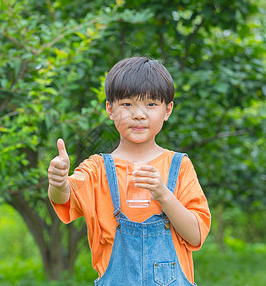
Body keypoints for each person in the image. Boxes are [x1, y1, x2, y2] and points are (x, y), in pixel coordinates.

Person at [48, 56, 211, 285]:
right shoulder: (97, 169)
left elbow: (196, 235)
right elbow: (65, 198)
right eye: (127, 104)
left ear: (168, 110)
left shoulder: (178, 166)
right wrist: (57, 182)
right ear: (110, 109)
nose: (139, 114)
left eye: (151, 104)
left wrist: (164, 195)